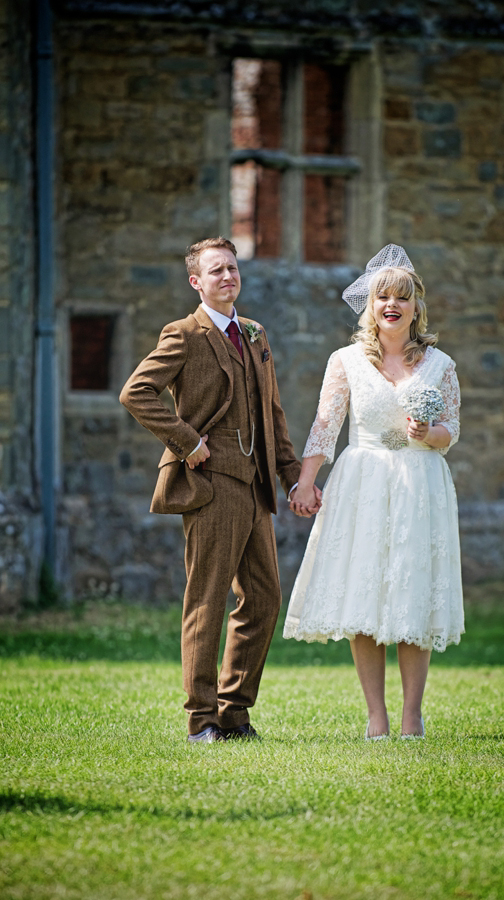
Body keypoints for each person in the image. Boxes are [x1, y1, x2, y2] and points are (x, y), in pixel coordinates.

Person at [120, 237, 321, 743]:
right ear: (197, 281)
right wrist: (187, 443)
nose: (227, 276)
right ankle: (201, 720)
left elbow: (271, 413)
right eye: (216, 271)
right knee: (206, 601)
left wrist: (291, 473)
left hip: (255, 490)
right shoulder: (184, 334)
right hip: (211, 485)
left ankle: (234, 713)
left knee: (264, 600)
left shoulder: (254, 333)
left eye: (232, 268)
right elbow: (136, 392)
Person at [284, 244, 464, 739]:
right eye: (382, 296)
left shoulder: (440, 365)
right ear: (370, 305)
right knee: (365, 595)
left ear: (415, 308)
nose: (392, 305)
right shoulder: (344, 361)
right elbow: (325, 426)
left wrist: (429, 434)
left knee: (412, 594)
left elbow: (451, 431)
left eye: (402, 298)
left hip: (419, 482)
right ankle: (376, 717)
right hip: (362, 483)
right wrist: (306, 480)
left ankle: (412, 715)